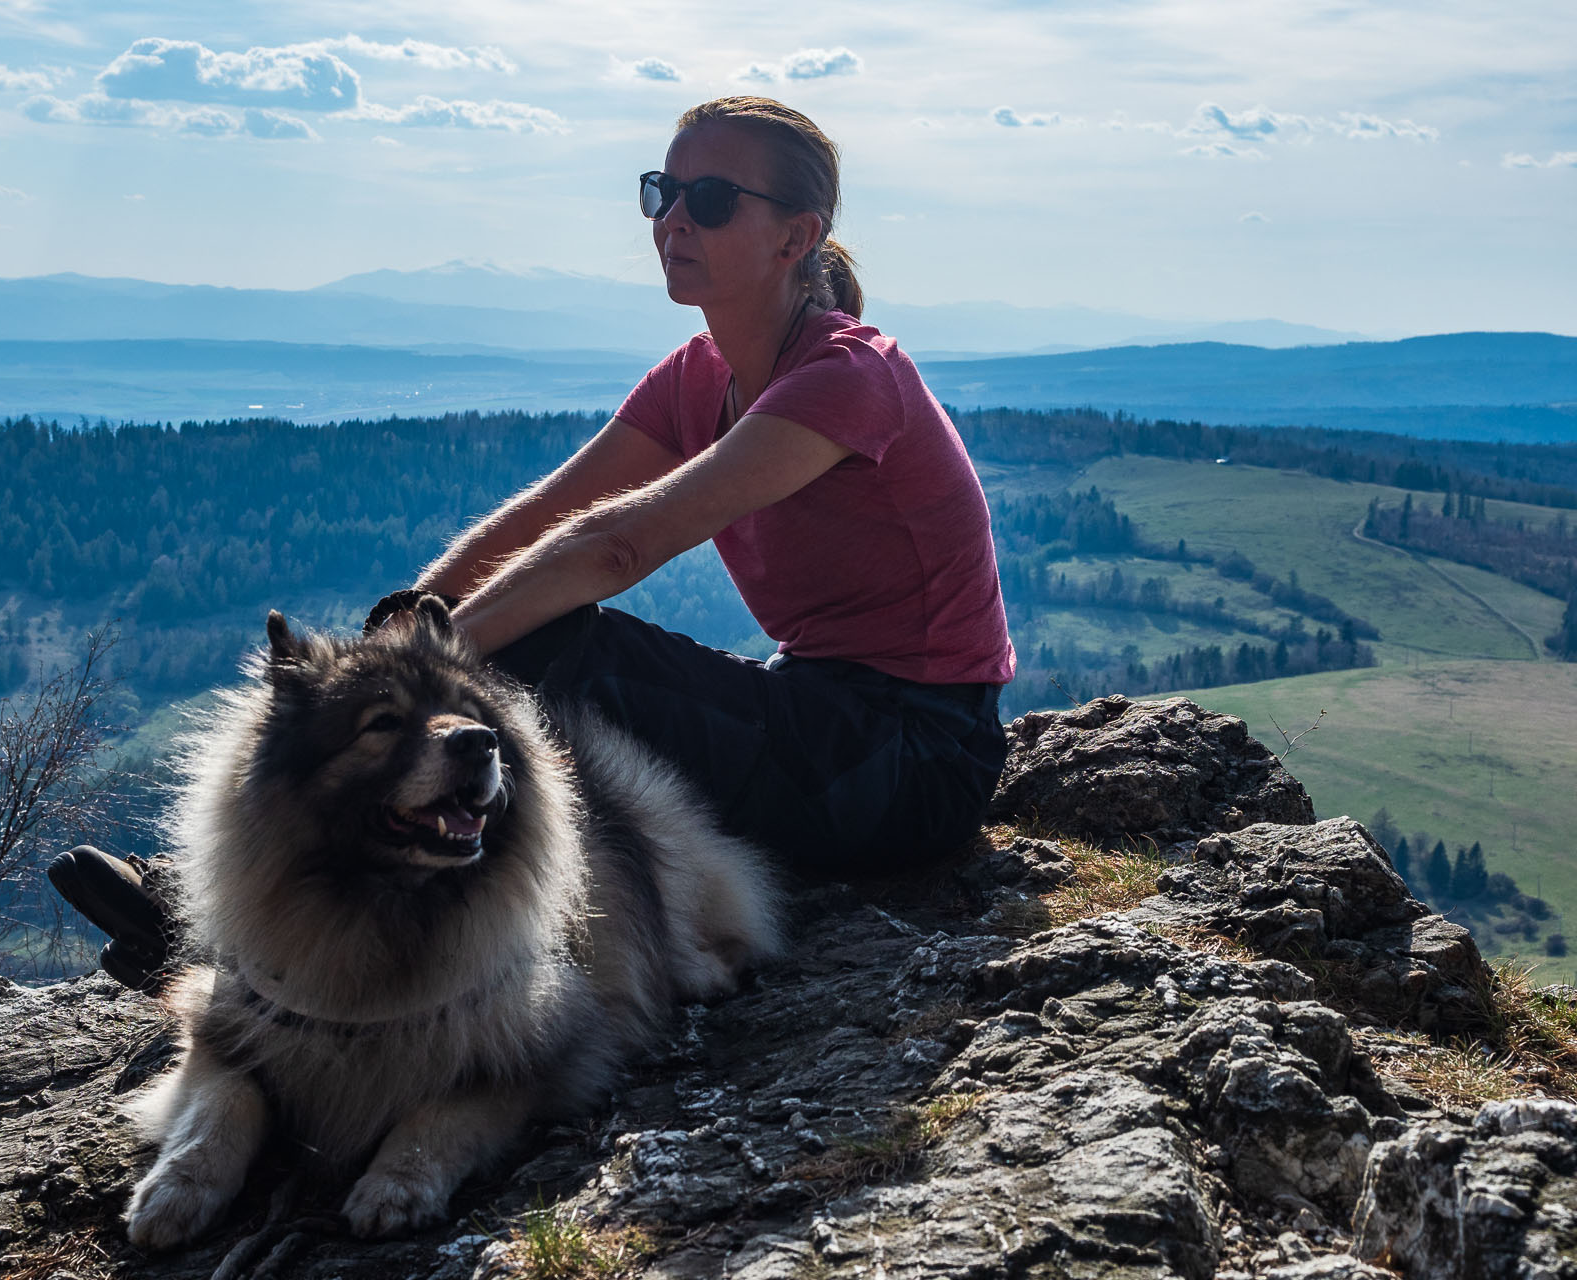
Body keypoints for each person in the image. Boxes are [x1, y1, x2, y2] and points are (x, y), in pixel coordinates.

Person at [52, 95, 1014, 988]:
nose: (672, 220)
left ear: (796, 236)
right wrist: (408, 622)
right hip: (823, 716)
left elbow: (617, 547)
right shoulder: (698, 375)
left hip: (915, 761)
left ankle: (265, 938)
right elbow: (545, 513)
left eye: (711, 200)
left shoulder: (849, 374)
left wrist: (435, 665)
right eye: (661, 192)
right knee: (502, 679)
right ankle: (244, 916)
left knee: (554, 650)